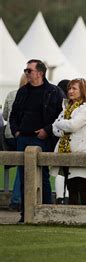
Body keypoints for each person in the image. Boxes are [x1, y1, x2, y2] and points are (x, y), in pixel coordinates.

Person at [9, 59, 64, 223]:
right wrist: (16, 131)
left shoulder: (54, 91)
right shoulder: (22, 91)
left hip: (41, 138)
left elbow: (60, 116)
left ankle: (46, 212)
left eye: (29, 70)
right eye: (25, 70)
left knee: (43, 176)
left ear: (40, 73)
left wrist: (46, 131)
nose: (26, 73)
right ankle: (25, 213)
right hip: (22, 138)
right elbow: (13, 115)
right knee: (23, 176)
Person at [51, 78, 86, 205]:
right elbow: (54, 129)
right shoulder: (66, 108)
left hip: (81, 151)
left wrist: (59, 123)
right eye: (69, 88)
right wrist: (61, 126)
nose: (70, 91)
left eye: (74, 88)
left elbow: (73, 125)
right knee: (71, 186)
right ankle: (73, 216)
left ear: (82, 91)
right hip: (66, 151)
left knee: (81, 186)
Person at [3, 74, 27, 211]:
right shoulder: (30, 96)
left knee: (21, 165)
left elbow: (5, 116)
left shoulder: (11, 94)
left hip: (9, 135)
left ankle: (17, 199)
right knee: (23, 166)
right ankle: (17, 199)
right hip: (21, 134)